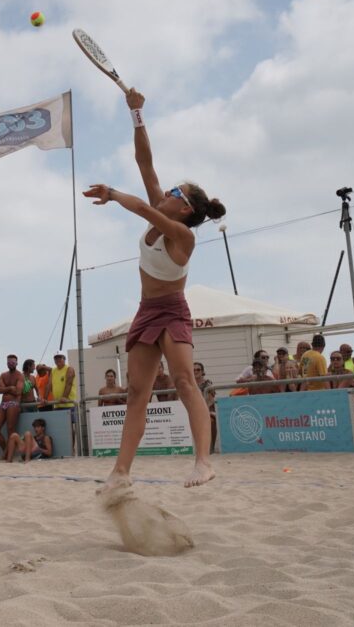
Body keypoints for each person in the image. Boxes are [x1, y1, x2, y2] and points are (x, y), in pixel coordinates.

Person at [83, 86, 225, 489]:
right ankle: (120, 473)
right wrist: (136, 113)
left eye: (175, 192)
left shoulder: (182, 235)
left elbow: (145, 206)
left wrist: (113, 194)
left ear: (185, 208)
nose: (167, 192)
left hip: (173, 310)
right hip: (146, 311)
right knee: (135, 393)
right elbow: (144, 162)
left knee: (184, 381)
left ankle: (203, 462)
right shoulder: (163, 211)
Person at [0, 354, 24, 456]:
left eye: (13, 362)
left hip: (14, 403)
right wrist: (10, 388)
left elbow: (18, 391)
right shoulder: (3, 375)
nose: (11, 364)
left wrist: (5, 389)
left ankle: (8, 455)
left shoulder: (20, 375)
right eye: (9, 362)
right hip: (3, 404)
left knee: (10, 429)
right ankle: (6, 451)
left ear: (17, 363)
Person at [194, 362, 216, 448]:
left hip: (207, 410)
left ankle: (211, 447)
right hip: (194, 411)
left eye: (198, 369)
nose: (195, 371)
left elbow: (211, 400)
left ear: (202, 371)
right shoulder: (189, 384)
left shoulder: (208, 384)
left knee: (211, 421)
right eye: (193, 370)